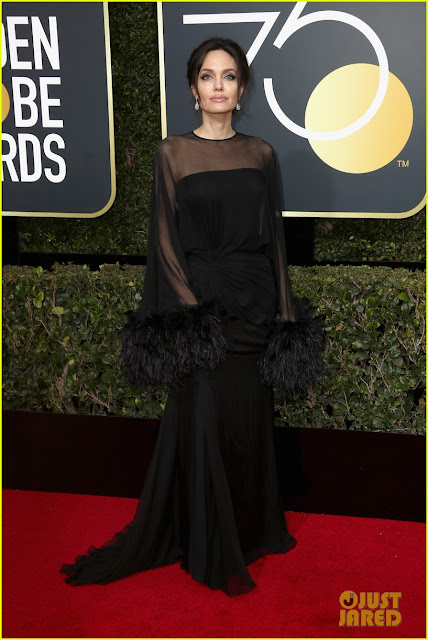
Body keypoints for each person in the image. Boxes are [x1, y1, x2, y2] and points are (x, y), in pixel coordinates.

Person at [60, 37, 326, 597]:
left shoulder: (262, 154)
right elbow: (163, 240)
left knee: (247, 422)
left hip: (254, 304)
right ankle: (208, 542)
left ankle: (252, 531)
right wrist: (191, 315)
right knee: (205, 419)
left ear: (242, 88)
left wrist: (283, 313)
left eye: (228, 76)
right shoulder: (172, 152)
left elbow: (275, 240)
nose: (218, 86)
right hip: (203, 308)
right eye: (208, 76)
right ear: (193, 88)